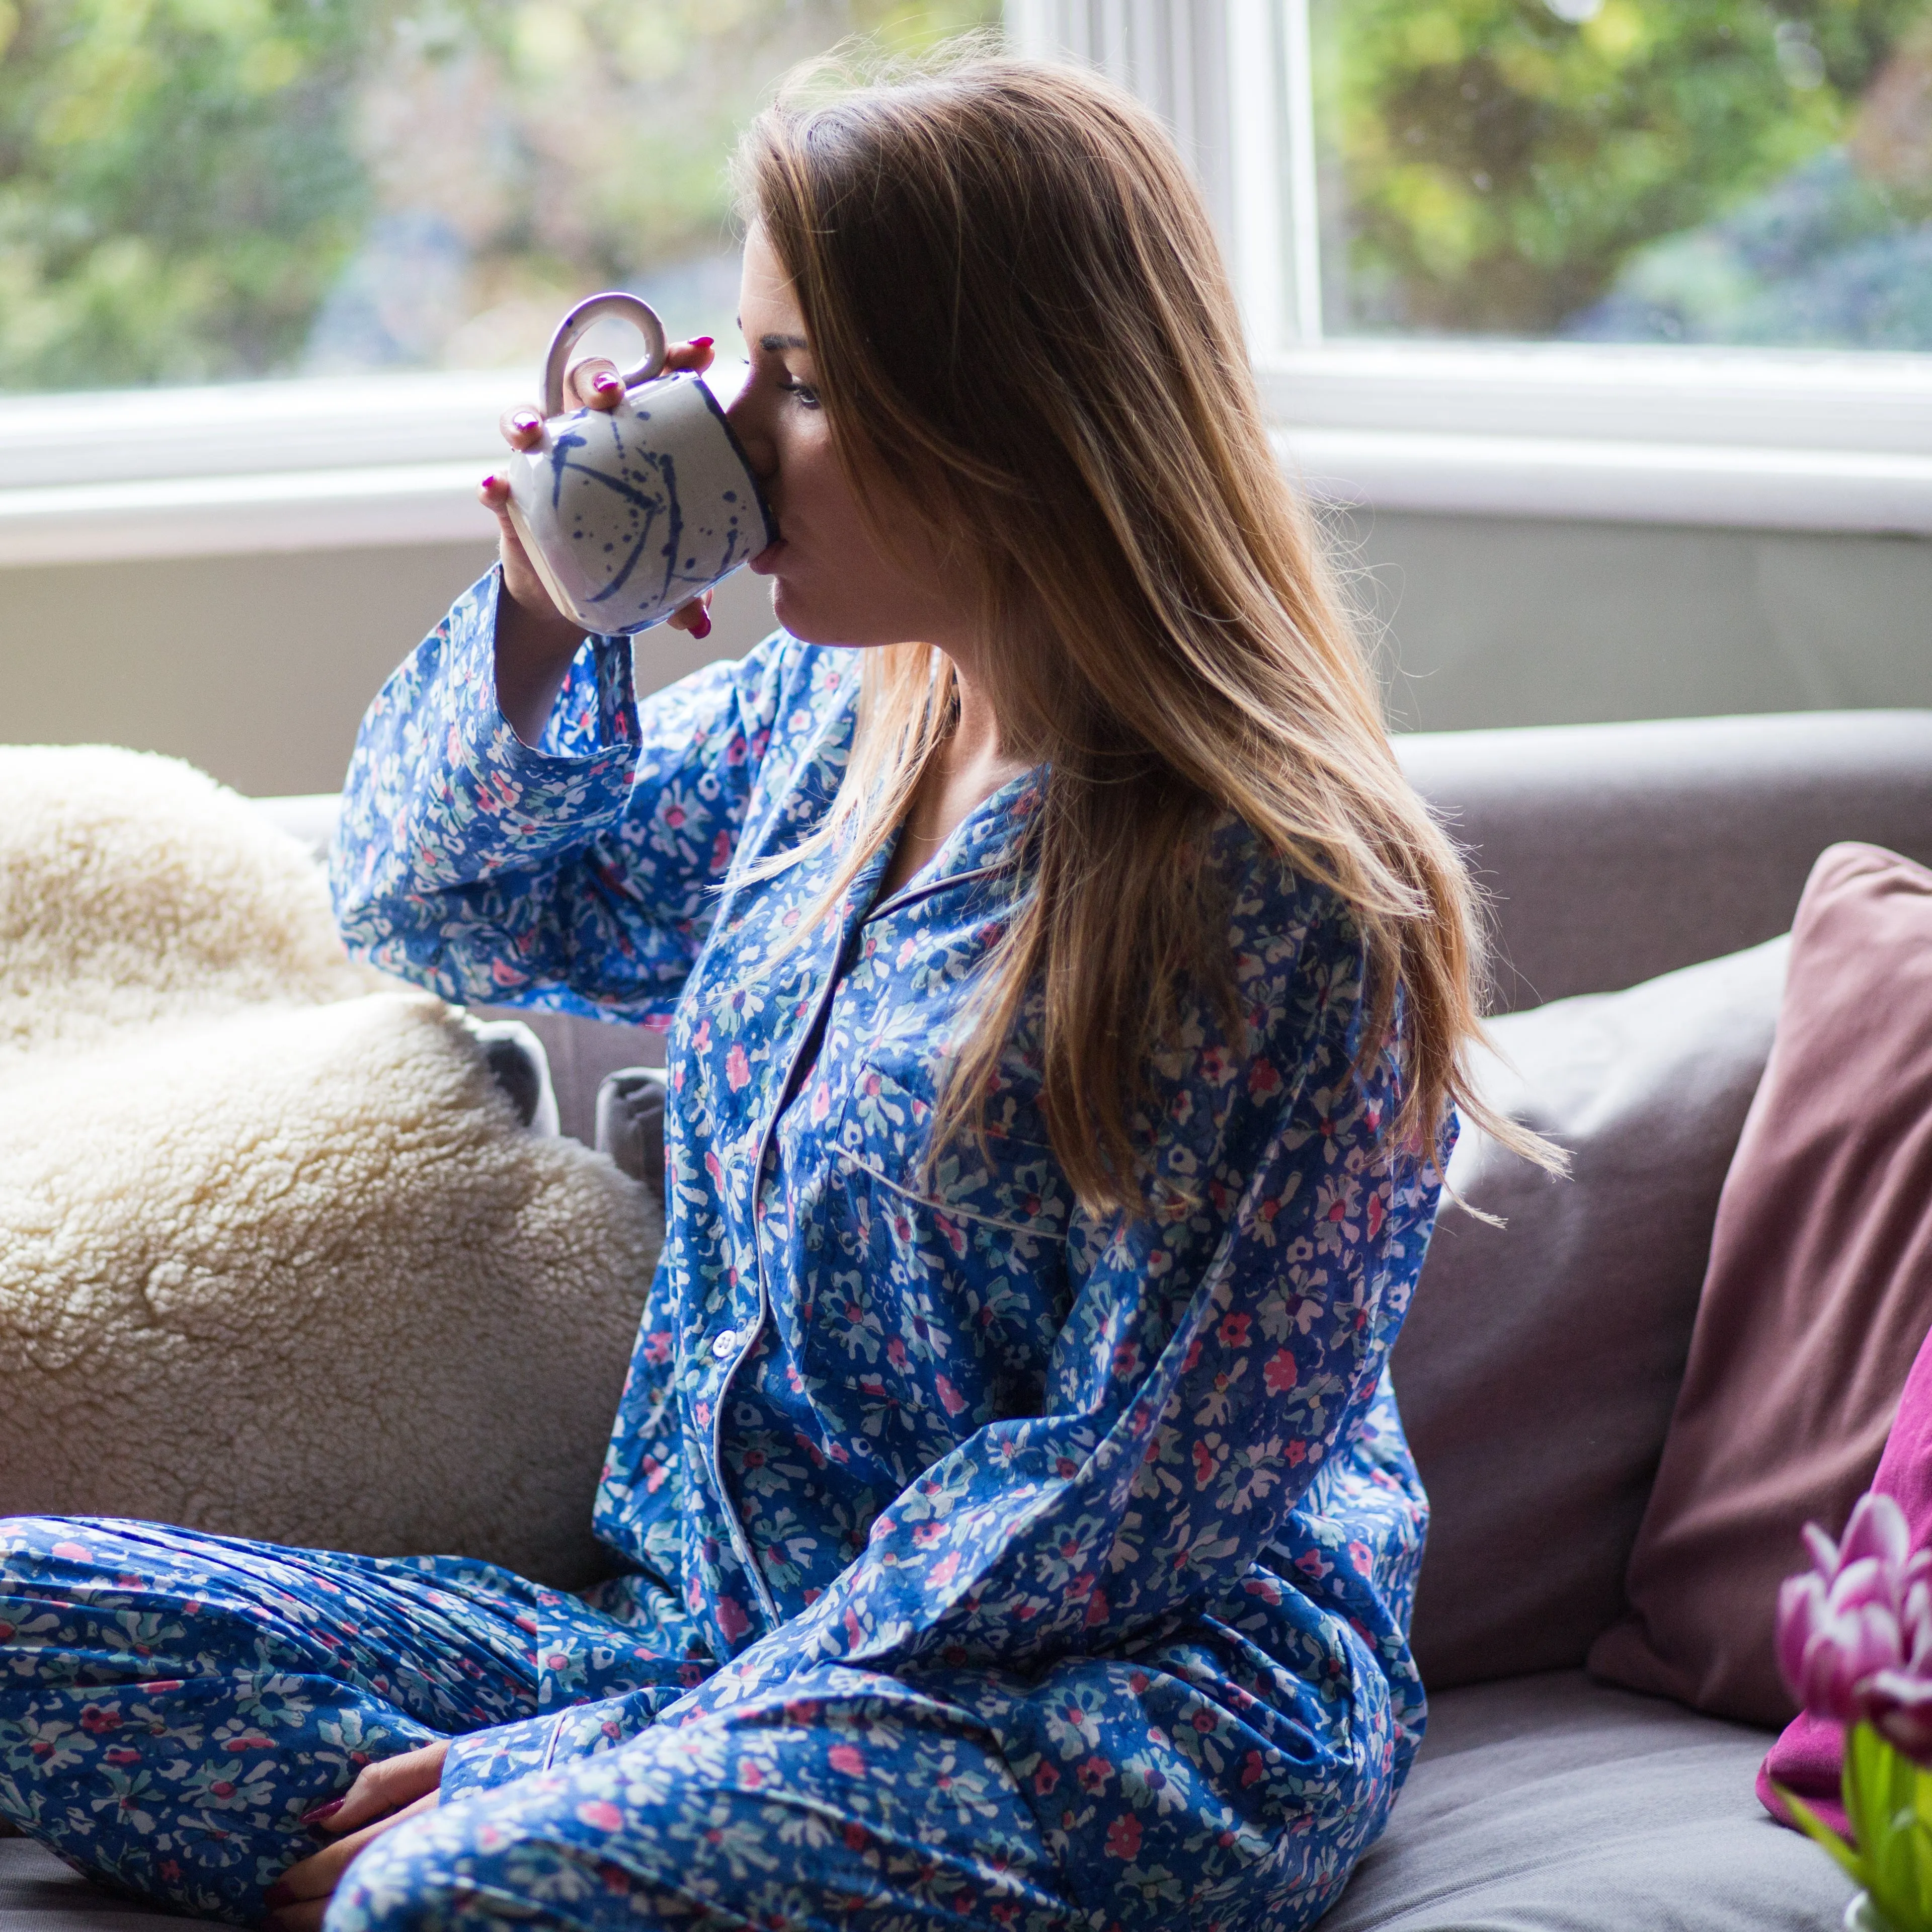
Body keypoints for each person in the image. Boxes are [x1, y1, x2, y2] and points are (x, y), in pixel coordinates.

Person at [0, 49, 1537, 1932]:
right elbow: (441, 901)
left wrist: (590, 1771)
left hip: (1103, 1707)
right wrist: (552, 606)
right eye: (735, 360)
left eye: (796, 382)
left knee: (444, 1896)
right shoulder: (834, 727)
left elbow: (1114, 1511)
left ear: (1012, 416)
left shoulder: (1289, 905)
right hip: (693, 1636)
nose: (726, 432)